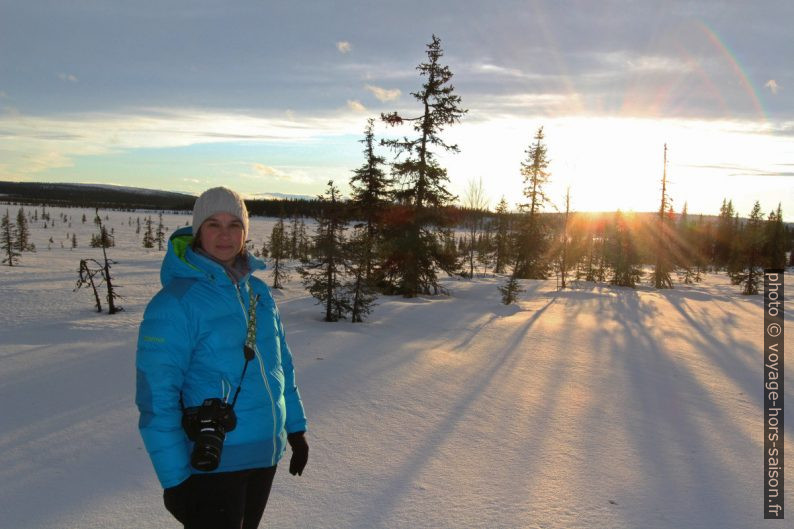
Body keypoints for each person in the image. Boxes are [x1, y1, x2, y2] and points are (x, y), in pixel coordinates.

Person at [136, 187, 308, 529]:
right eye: (214, 224)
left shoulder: (258, 293)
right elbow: (157, 398)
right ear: (199, 231)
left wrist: (295, 428)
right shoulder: (175, 303)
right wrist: (175, 479)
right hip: (214, 462)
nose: (225, 235)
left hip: (264, 454)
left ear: (245, 232)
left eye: (234, 225)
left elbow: (281, 366)